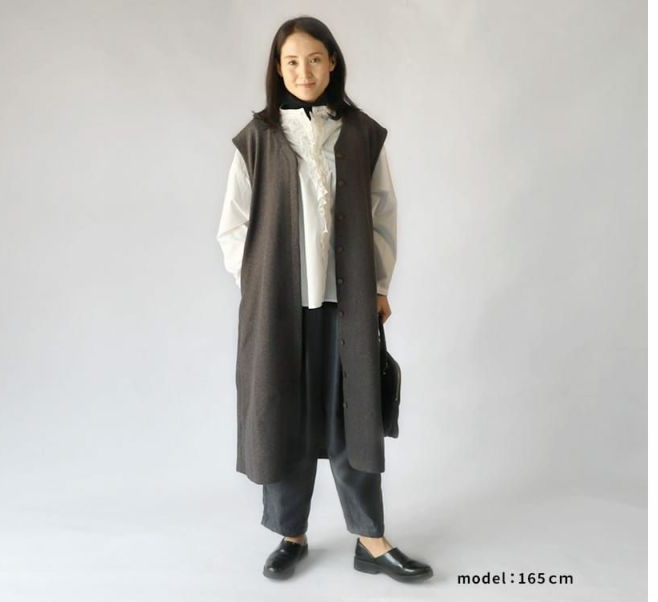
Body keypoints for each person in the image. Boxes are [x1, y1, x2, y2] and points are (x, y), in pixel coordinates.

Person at [217, 16, 433, 583]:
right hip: (279, 309)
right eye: (292, 61)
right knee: (281, 414)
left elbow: (382, 214)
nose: (304, 71)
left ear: (332, 61)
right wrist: (259, 286)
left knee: (353, 416)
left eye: (314, 59)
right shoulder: (258, 138)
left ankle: (371, 540)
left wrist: (379, 285)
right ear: (278, 68)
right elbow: (233, 226)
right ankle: (290, 533)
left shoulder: (360, 134)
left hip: (347, 305)